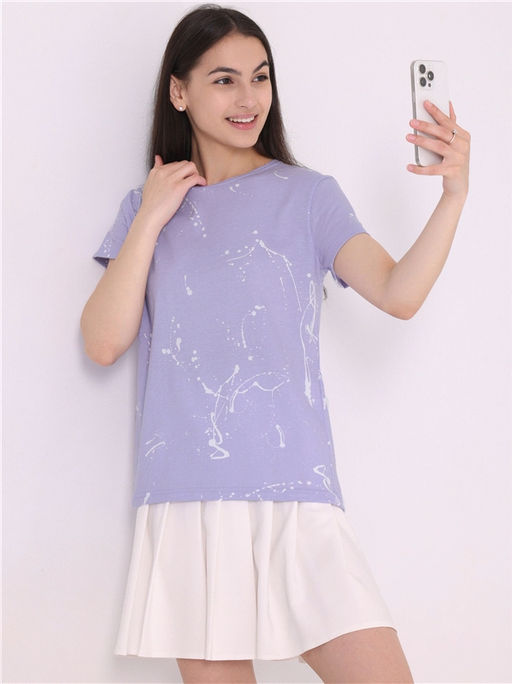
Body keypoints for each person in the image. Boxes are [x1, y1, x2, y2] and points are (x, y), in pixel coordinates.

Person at [80, 4, 470, 683]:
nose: (249, 98)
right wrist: (150, 218)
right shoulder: (145, 209)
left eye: (259, 77)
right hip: (189, 498)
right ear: (179, 91)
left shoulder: (308, 196)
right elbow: (104, 342)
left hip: (298, 493)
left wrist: (453, 196)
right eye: (224, 79)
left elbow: (398, 294)